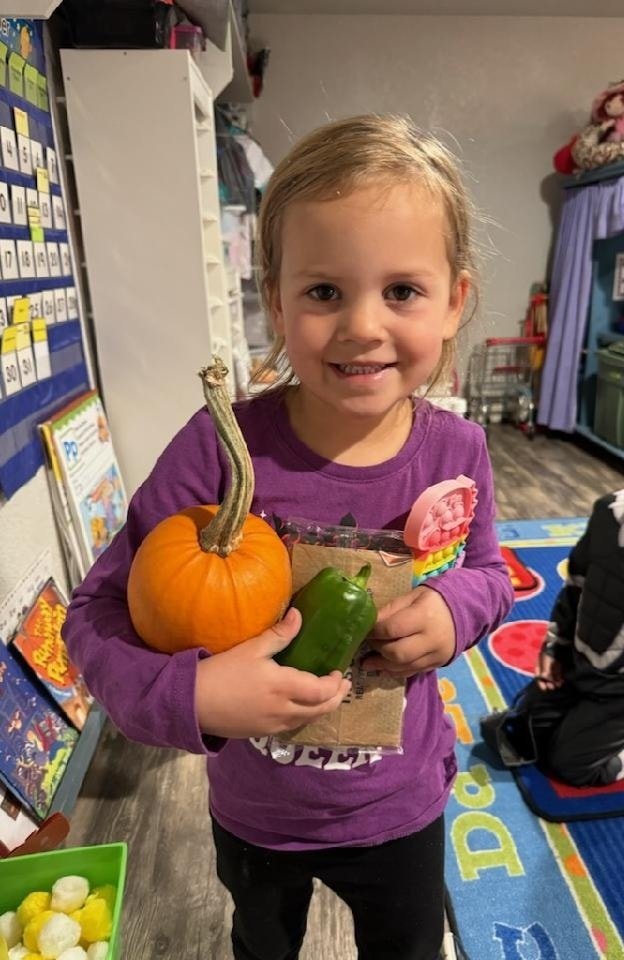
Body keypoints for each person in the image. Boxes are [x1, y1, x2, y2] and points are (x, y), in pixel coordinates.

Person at [63, 114, 514, 960]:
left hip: (399, 806)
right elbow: (93, 616)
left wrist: (455, 610)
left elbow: (489, 571)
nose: (363, 326)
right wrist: (191, 697)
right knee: (261, 944)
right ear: (276, 298)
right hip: (256, 812)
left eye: (403, 291)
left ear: (455, 300)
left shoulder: (458, 452)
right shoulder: (221, 450)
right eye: (324, 292)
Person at [481, 491, 624, 788]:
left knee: (571, 765)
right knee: (528, 730)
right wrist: (554, 647)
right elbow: (576, 583)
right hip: (584, 661)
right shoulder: (610, 512)